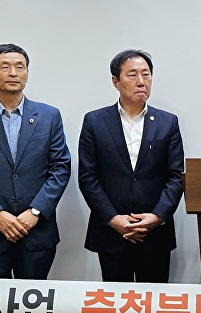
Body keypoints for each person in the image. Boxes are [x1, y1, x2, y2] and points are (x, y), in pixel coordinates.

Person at [0, 43, 71, 279]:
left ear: (27, 73)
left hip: (36, 233)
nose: (13, 73)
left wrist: (35, 212)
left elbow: (60, 168)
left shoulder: (49, 116)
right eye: (5, 67)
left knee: (34, 300)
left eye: (20, 67)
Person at [78, 49, 184, 283]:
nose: (141, 81)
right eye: (132, 75)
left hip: (155, 234)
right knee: (115, 303)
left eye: (146, 74)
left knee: (155, 302)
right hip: (111, 232)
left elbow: (176, 177)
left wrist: (156, 217)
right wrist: (113, 219)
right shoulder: (95, 121)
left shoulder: (168, 122)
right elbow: (88, 177)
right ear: (115, 81)